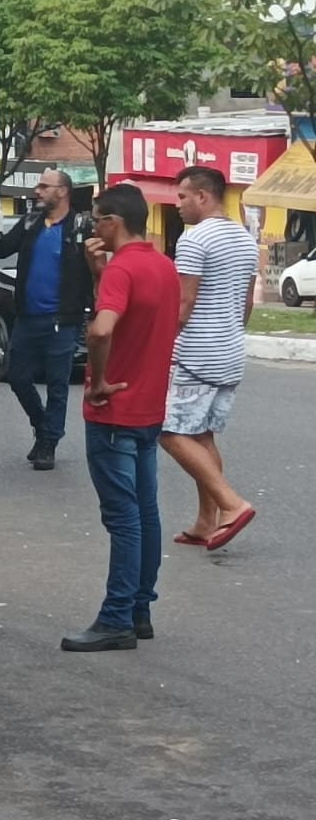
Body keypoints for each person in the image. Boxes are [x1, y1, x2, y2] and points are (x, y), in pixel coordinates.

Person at [61, 184, 180, 653]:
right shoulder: (163, 267)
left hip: (115, 412)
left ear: (114, 221)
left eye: (96, 220)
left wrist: (101, 379)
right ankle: (139, 609)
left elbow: (103, 327)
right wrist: (97, 275)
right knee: (145, 512)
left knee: (124, 518)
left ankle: (116, 618)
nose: (93, 228)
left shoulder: (123, 270)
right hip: (149, 406)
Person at [163, 166, 259, 551]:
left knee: (169, 430)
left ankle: (231, 503)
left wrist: (159, 343)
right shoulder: (245, 239)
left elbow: (183, 305)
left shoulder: (194, 240)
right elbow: (247, 303)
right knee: (201, 435)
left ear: (203, 196)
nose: (178, 204)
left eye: (183, 196)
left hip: (196, 352)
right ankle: (207, 520)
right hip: (231, 350)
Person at [0, 168, 94, 470]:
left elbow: (94, 272)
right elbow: (3, 247)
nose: (38, 191)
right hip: (27, 317)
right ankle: (42, 422)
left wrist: (95, 310)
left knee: (58, 384)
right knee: (18, 377)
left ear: (62, 191)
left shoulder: (81, 226)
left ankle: (49, 442)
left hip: (63, 319)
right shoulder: (31, 221)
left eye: (44, 186)